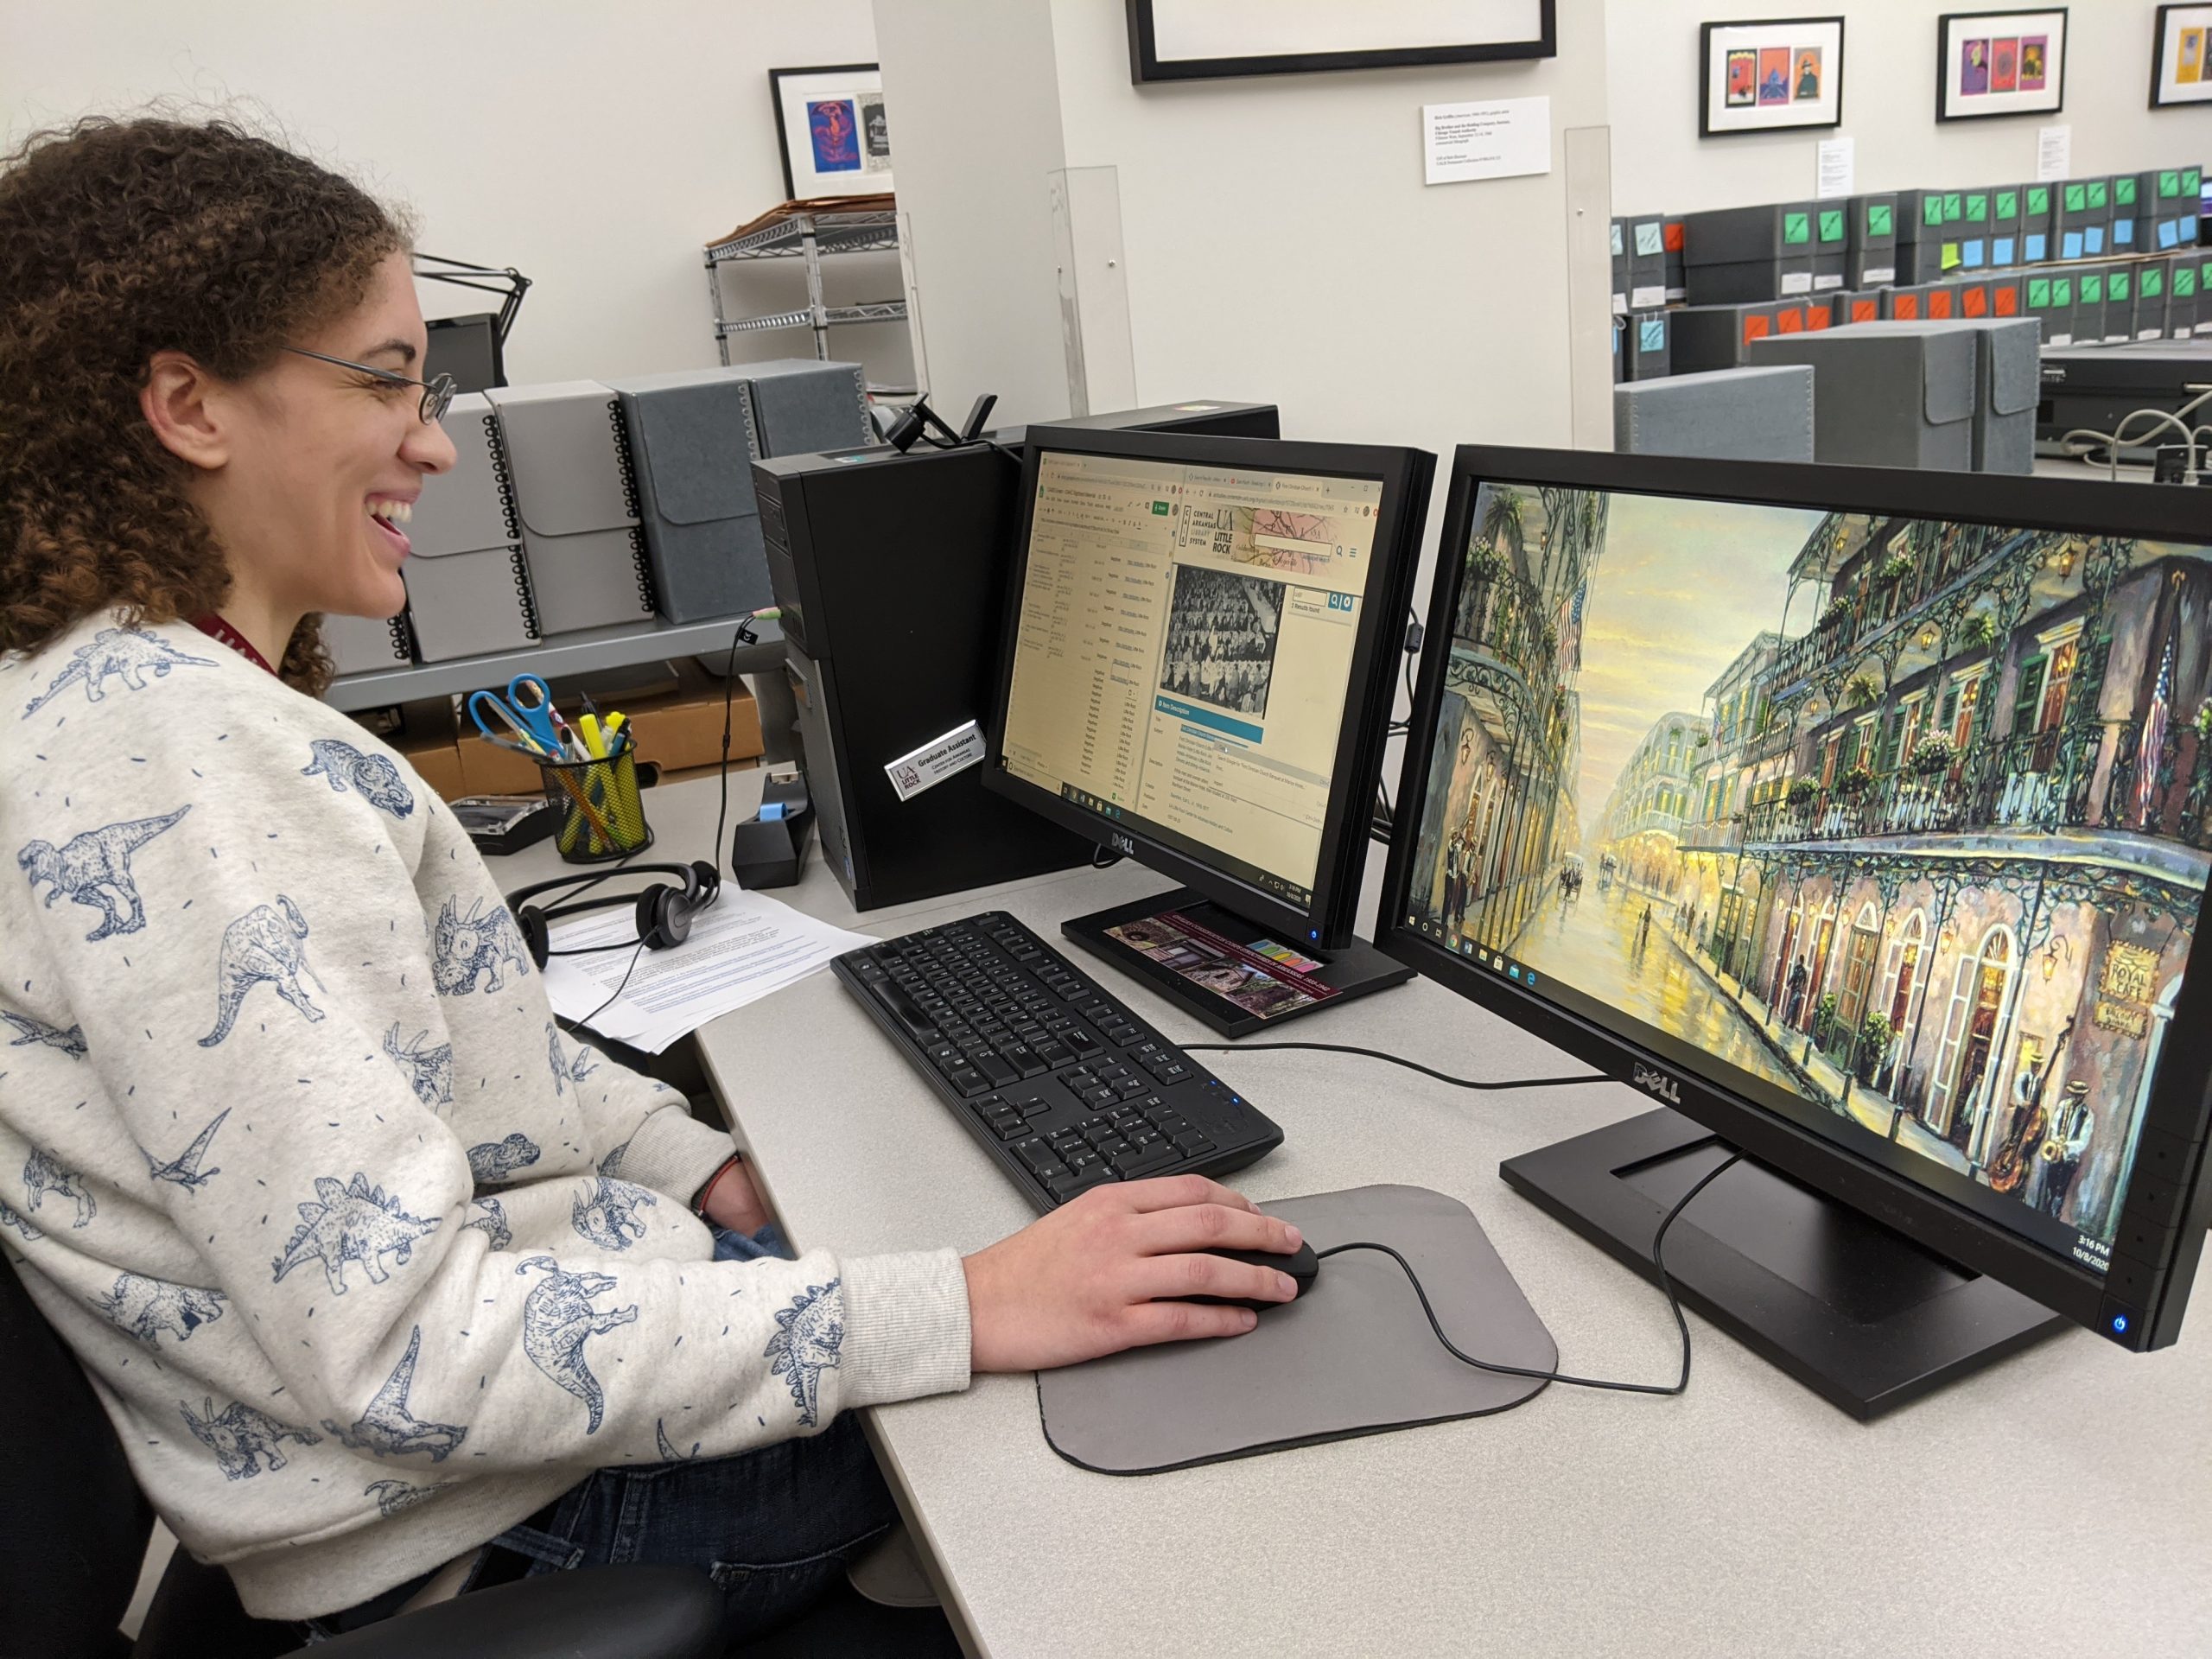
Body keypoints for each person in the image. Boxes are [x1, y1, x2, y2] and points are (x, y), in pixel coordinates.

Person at [0, 116, 1305, 1643]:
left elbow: (454, 1057)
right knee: (1181, 1406)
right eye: (386, 378)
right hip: (520, 1524)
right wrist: (969, 1304)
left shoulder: (131, 707)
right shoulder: (183, 769)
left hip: (496, 1455)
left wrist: (704, 1169)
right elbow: (408, 1357)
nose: (432, 439)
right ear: (187, 405)